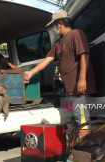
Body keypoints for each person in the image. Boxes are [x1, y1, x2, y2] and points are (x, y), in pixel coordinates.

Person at [24, 10, 97, 146]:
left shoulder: (76, 34)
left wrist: (82, 79)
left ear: (61, 23)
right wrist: (30, 73)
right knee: (75, 118)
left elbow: (84, 55)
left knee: (81, 118)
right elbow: (48, 59)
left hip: (77, 86)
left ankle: (86, 148)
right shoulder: (58, 42)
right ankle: (74, 147)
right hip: (69, 87)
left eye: (55, 25)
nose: (54, 28)